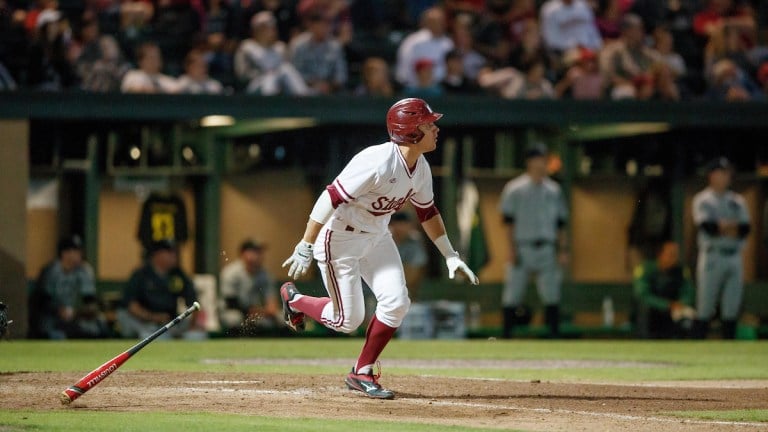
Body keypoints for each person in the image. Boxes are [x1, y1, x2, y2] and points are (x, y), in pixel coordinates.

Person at [279, 98, 479, 399]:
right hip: (340, 238)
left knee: (397, 302)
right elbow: (330, 197)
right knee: (347, 321)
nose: (435, 128)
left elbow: (427, 212)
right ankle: (295, 300)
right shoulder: (377, 161)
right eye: (428, 124)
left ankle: (362, 371)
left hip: (376, 236)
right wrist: (306, 243)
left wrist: (450, 255)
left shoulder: (420, 166)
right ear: (411, 131)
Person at [499, 145, 569, 338]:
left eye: (544, 158)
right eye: (538, 158)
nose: (542, 162)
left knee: (552, 294)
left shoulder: (554, 189)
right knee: (512, 293)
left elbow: (560, 223)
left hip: (547, 246)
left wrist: (562, 250)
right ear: (529, 161)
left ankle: (554, 337)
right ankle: (506, 337)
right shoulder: (515, 188)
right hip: (522, 247)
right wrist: (510, 249)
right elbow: (508, 222)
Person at [692, 157, 750, 339]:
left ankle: (729, 352)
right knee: (705, 306)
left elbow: (744, 229)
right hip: (712, 255)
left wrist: (722, 226)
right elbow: (708, 227)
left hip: (734, 255)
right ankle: (697, 350)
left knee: (731, 307)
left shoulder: (737, 200)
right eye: (722, 173)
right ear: (712, 175)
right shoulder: (703, 199)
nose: (726, 176)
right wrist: (727, 227)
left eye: (727, 173)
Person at [29, 235, 109, 339]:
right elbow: (42, 300)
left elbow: (90, 300)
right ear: (65, 253)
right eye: (75, 251)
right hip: (53, 317)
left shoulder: (84, 270)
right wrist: (59, 311)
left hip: (77, 317)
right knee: (50, 329)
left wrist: (76, 312)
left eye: (79, 251)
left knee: (99, 324)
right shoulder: (51, 270)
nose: (79, 255)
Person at [117, 240, 198, 339]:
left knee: (196, 336)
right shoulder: (141, 274)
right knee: (127, 318)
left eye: (174, 252)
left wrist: (192, 325)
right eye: (169, 252)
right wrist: (154, 317)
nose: (174, 256)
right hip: (144, 322)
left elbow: (193, 302)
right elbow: (131, 306)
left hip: (169, 323)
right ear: (157, 254)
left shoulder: (178, 274)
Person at [234, 11, 309, 95]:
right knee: (270, 78)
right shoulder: (246, 47)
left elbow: (288, 72)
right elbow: (242, 74)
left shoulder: (280, 48)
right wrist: (263, 73)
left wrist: (274, 73)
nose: (272, 31)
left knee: (286, 69)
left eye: (273, 27)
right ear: (257, 30)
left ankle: (304, 99)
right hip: (255, 87)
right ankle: (267, 106)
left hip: (279, 84)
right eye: (266, 28)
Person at [633, 242, 695, 339]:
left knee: (688, 315)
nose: (673, 258)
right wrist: (667, 305)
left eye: (675, 255)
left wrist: (681, 303)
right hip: (653, 312)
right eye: (670, 255)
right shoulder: (646, 269)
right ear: (660, 255)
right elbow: (642, 295)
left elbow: (689, 292)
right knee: (644, 310)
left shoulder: (680, 271)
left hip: (673, 313)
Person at [219, 239, 280, 335]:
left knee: (277, 319)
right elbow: (231, 303)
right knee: (234, 318)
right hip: (233, 311)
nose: (259, 255)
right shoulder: (231, 272)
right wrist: (259, 311)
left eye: (260, 252)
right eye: (255, 251)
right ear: (243, 253)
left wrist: (270, 310)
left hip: (256, 313)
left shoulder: (265, 274)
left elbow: (271, 302)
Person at [289, 11, 348, 95]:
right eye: (320, 25)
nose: (324, 29)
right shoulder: (299, 45)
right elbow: (295, 73)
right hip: (304, 91)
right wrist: (313, 83)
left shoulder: (335, 47)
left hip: (330, 92)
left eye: (326, 25)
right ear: (311, 26)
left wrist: (329, 85)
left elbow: (341, 75)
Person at [395, 7, 454, 88]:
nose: (438, 25)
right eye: (434, 22)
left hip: (441, 89)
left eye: (441, 21)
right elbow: (404, 70)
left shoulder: (448, 43)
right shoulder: (413, 41)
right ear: (424, 23)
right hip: (416, 88)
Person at [389, 212, 428, 301]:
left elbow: (412, 275)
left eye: (404, 225)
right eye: (398, 224)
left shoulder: (414, 245)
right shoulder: (380, 241)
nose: (401, 228)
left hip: (402, 289)